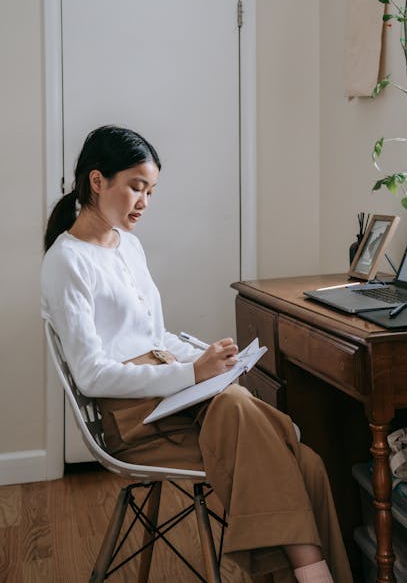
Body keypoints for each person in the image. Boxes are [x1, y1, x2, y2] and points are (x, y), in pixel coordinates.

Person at [41, 125, 353, 583]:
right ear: (96, 181)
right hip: (132, 420)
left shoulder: (129, 245)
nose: (145, 201)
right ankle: (311, 573)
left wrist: (201, 356)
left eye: (151, 190)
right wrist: (191, 374)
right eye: (136, 187)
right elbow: (91, 376)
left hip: (171, 399)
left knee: (307, 462)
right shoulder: (67, 261)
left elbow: (152, 335)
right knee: (243, 414)